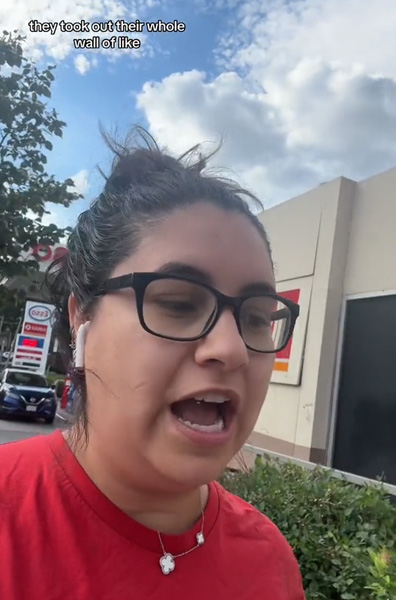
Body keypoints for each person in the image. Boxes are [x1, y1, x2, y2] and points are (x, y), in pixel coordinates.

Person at [0, 128, 306, 598]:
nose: (232, 348)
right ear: (82, 314)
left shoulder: (269, 561)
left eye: (257, 316)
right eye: (179, 303)